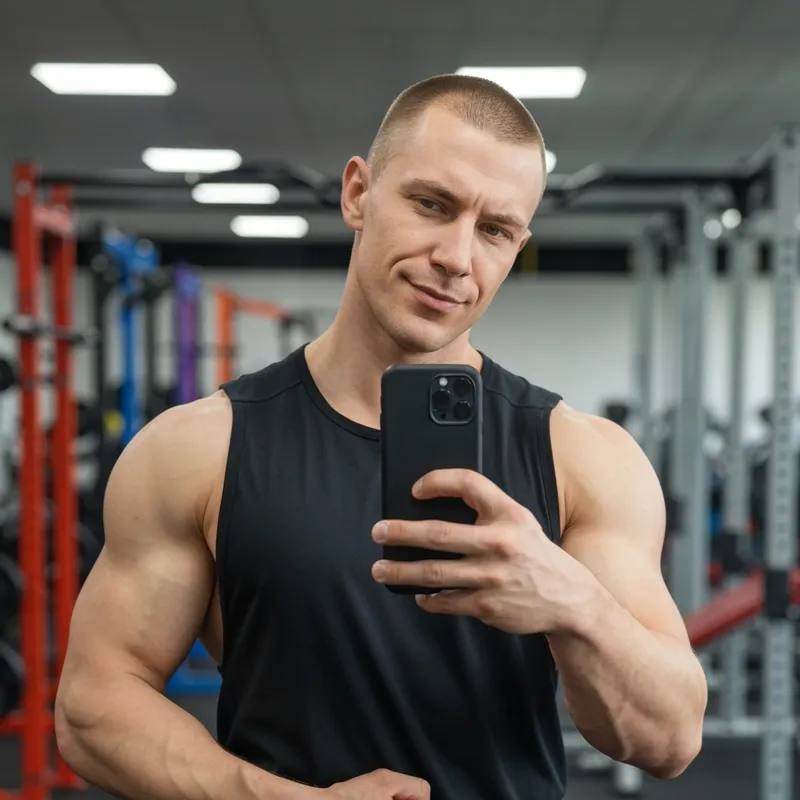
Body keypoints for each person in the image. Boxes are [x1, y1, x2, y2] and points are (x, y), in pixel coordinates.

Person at [55, 74, 707, 800]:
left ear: (519, 243)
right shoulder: (201, 448)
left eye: (494, 230)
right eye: (432, 204)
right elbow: (93, 707)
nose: (457, 258)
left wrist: (572, 602)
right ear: (359, 193)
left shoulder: (584, 459)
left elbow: (669, 740)